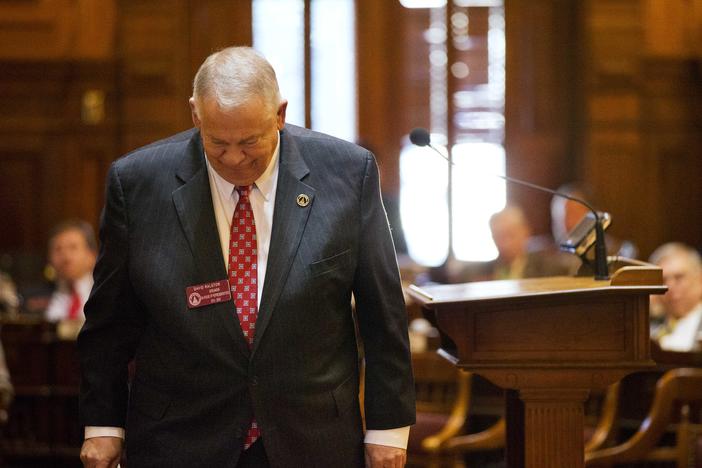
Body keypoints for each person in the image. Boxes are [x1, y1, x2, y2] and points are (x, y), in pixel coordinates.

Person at [78, 46, 415, 468]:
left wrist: (387, 430)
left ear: (280, 114)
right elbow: (109, 322)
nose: (235, 158)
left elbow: (382, 314)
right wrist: (103, 426)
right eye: (217, 143)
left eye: (250, 142)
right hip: (179, 437)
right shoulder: (138, 183)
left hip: (311, 437)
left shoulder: (347, 173)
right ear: (195, 115)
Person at [451, 205, 576, 282]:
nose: (505, 243)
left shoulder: (548, 270)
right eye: (499, 236)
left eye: (510, 235)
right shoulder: (477, 273)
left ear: (526, 232)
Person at [648, 242, 702, 351]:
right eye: (663, 280)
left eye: (679, 277)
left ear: (700, 279)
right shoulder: (649, 332)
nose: (670, 287)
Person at [44, 220, 97, 322]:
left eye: (73, 248)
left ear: (92, 255)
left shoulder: (107, 293)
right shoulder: (34, 298)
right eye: (58, 249)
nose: (66, 257)